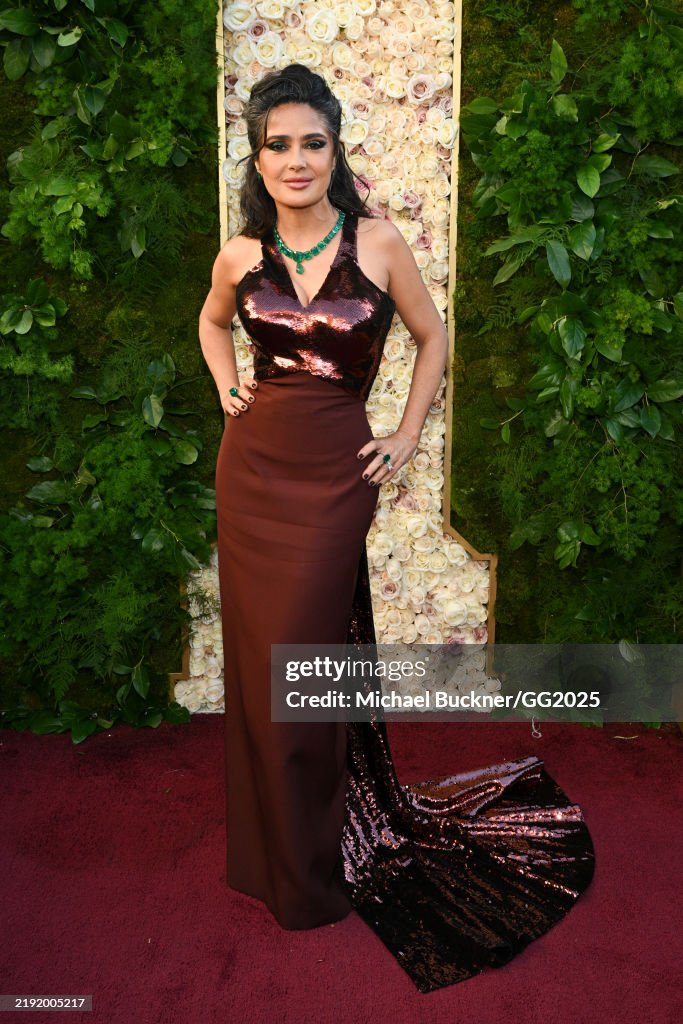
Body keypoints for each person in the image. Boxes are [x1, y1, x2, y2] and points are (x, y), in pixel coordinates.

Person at [198, 64, 595, 994]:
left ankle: (315, 858)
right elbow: (212, 326)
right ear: (257, 159)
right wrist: (226, 386)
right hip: (251, 473)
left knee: (300, 663)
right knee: (261, 670)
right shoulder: (237, 253)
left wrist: (408, 433)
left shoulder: (376, 243)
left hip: (334, 475)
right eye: (277, 145)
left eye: (312, 142)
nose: (296, 160)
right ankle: (272, 857)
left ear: (336, 150)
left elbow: (432, 336)